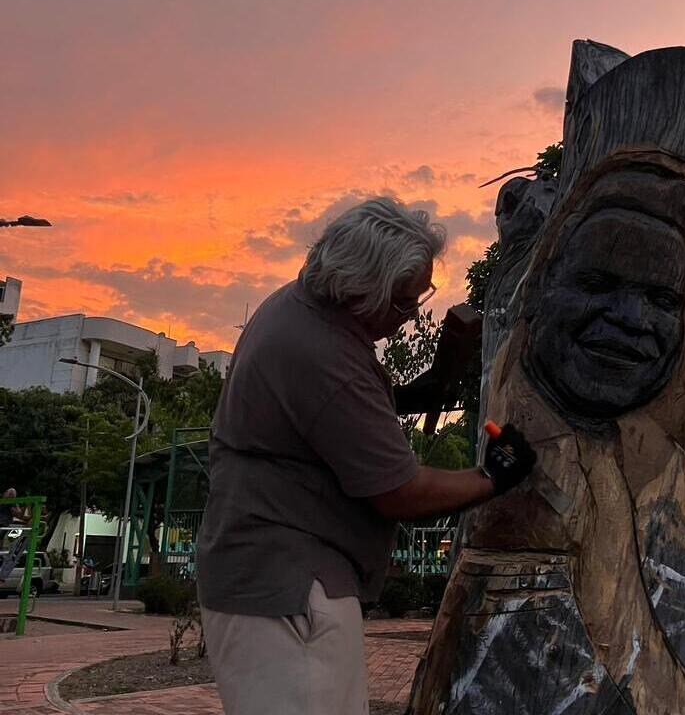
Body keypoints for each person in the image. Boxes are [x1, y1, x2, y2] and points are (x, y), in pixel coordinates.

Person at [196, 197, 536, 715]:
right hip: (288, 593)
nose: (406, 319)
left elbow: (325, 419)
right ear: (357, 286)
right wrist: (492, 476)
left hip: (264, 577)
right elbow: (400, 491)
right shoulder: (324, 356)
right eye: (401, 303)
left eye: (418, 301)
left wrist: (410, 395)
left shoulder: (298, 309)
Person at [0, 488, 27, 583]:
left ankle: (2, 575)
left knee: (9, 550)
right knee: (9, 550)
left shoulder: (8, 502)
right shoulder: (11, 503)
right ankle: (2, 575)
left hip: (6, 526)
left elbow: (19, 514)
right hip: (5, 526)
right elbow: (19, 514)